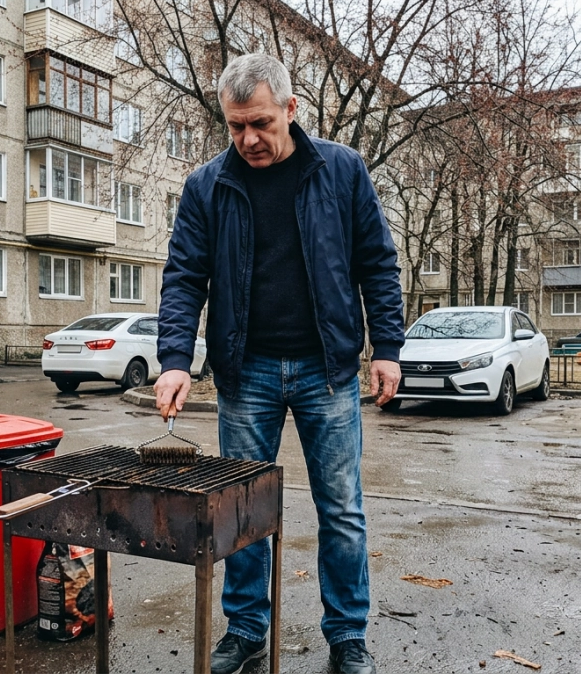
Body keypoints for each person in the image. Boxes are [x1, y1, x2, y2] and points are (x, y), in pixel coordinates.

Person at [153, 53, 405, 674]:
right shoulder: (207, 186)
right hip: (247, 372)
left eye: (261, 123)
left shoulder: (341, 171)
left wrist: (389, 350)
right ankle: (246, 628)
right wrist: (175, 360)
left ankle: (347, 636)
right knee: (240, 508)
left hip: (327, 370)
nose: (248, 139)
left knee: (340, 509)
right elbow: (184, 277)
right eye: (235, 126)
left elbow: (378, 264)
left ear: (292, 110)